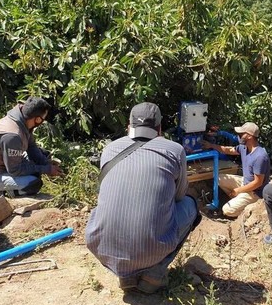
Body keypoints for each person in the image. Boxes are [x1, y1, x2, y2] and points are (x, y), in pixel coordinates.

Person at [85, 102, 200, 294]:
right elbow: (180, 196)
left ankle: (126, 275)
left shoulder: (110, 149)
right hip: (150, 248)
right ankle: (154, 273)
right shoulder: (174, 150)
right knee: (191, 204)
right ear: (159, 128)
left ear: (129, 126)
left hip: (99, 246)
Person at [0, 97, 63, 197]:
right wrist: (46, 169)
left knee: (42, 155)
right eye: (43, 119)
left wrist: (46, 163)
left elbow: (32, 147)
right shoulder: (12, 136)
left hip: (2, 164)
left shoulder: (23, 120)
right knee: (33, 183)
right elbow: (15, 170)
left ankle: (5, 189)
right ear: (37, 119)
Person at [202, 122, 270, 218]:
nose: (238, 136)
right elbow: (229, 150)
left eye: (241, 134)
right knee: (218, 178)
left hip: (255, 193)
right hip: (245, 182)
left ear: (249, 136)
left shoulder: (260, 156)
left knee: (227, 210)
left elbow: (257, 183)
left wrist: (237, 190)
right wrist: (211, 145)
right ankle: (239, 199)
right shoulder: (244, 148)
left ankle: (249, 208)